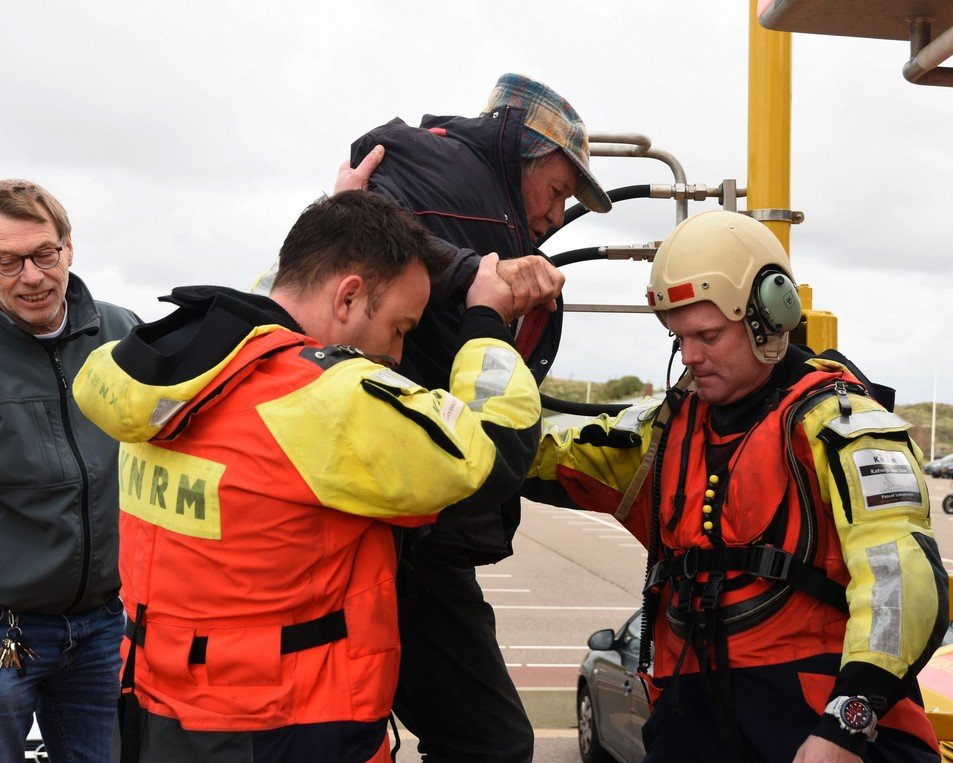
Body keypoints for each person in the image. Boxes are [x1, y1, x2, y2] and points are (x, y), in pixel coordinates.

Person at [71, 191, 542, 762]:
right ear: (349, 296)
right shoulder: (326, 401)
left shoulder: (174, 369)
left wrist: (339, 211)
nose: (396, 354)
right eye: (400, 328)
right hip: (286, 725)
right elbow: (493, 449)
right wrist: (486, 320)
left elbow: (285, 297)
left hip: (157, 710)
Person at [525, 210, 950, 762]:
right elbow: (544, 452)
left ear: (770, 316)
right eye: (679, 337)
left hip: (816, 725)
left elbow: (904, 585)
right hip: (690, 721)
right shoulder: (666, 427)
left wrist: (846, 726)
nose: (691, 356)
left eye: (708, 335)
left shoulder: (841, 428)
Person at [337, 72, 611, 762]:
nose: (554, 217)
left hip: (415, 523)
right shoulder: (439, 175)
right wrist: (476, 280)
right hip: (413, 524)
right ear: (517, 147)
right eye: (556, 191)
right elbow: (386, 214)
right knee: (487, 739)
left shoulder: (461, 196)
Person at [0, 179, 140, 762]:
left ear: (69, 249)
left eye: (43, 254)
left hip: (105, 627)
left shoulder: (123, 333)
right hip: (8, 635)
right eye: (7, 262)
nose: (31, 276)